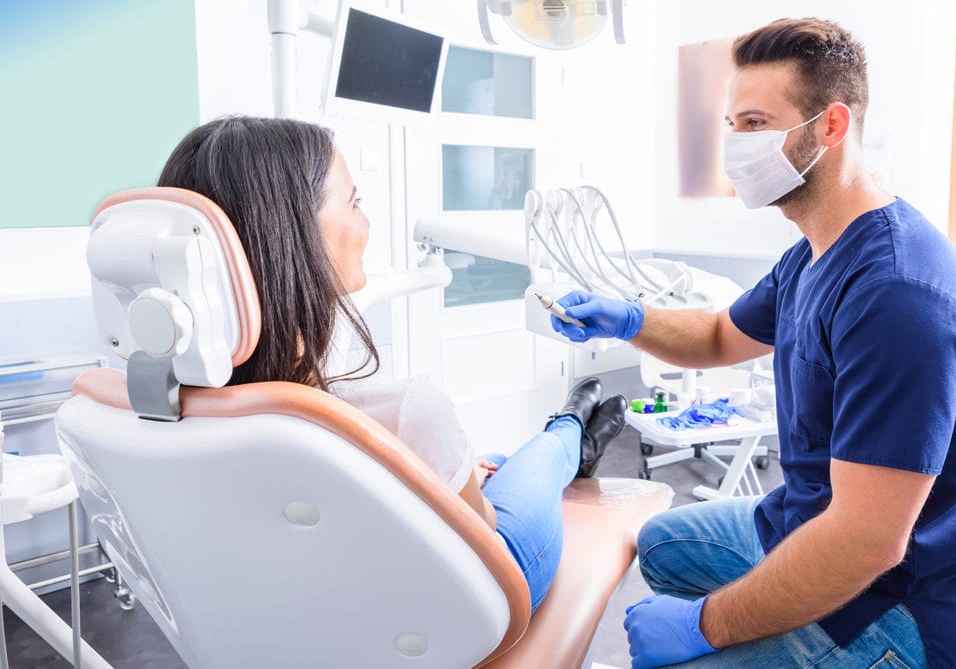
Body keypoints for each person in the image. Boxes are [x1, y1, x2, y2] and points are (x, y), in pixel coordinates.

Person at [551, 18, 956, 668]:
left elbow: (867, 544)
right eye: (733, 125)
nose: (736, 147)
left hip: (889, 603)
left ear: (831, 126)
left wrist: (706, 625)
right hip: (804, 520)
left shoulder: (900, 297)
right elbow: (717, 335)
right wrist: (627, 320)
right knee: (658, 545)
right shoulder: (813, 254)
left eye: (757, 124)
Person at [158, 115, 628, 612]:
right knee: (537, 462)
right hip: (471, 607)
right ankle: (570, 430)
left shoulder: (161, 409)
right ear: (294, 235)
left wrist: (453, 474)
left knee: (492, 462)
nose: (367, 222)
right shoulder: (403, 410)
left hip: (298, 612)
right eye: (354, 201)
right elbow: (484, 536)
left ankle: (558, 442)